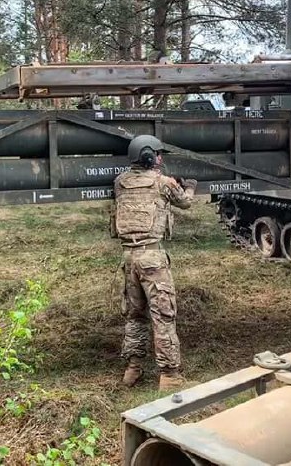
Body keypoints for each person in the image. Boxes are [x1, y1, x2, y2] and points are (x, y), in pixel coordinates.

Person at [112, 135, 196, 391]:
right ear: (150, 157)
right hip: (152, 259)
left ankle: (133, 369)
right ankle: (170, 376)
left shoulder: (119, 182)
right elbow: (185, 202)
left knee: (134, 316)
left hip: (128, 258)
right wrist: (190, 186)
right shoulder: (163, 183)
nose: (160, 159)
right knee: (163, 316)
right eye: (157, 155)